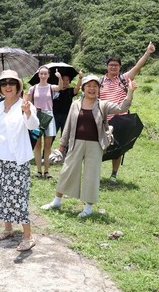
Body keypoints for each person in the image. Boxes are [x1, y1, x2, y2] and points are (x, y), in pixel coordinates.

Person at [41, 75, 137, 218]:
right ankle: (57, 201)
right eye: (89, 86)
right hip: (76, 143)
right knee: (67, 171)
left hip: (95, 145)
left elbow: (122, 107)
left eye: (95, 86)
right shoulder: (75, 104)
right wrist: (62, 145)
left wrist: (130, 92)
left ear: (99, 89)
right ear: (83, 88)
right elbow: (68, 125)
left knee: (91, 175)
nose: (92, 89)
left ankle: (88, 207)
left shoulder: (103, 105)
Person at [0, 70, 39, 252]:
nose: (8, 86)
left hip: (17, 161)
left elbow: (33, 125)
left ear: (18, 86)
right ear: (0, 88)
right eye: (4, 83)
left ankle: (28, 236)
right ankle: (8, 228)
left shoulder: (24, 105)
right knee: (2, 196)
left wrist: (28, 112)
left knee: (19, 198)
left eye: (12, 83)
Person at [100, 41, 155, 183]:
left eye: (116, 65)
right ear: (107, 67)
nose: (113, 67)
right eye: (111, 65)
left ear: (119, 67)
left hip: (121, 119)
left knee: (118, 148)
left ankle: (113, 174)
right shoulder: (100, 81)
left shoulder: (123, 79)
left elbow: (138, 66)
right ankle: (95, 171)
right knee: (100, 146)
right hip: (104, 120)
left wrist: (148, 52)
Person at [26, 66, 64, 179]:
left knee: (48, 146)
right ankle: (38, 170)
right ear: (38, 75)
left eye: (45, 74)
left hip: (49, 116)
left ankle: (46, 171)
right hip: (37, 116)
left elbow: (61, 87)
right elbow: (27, 102)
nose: (43, 76)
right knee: (37, 145)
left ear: (48, 75)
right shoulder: (33, 89)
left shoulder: (51, 87)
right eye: (41, 73)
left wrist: (60, 77)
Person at [53, 70, 83, 137]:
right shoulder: (55, 90)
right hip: (55, 116)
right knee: (52, 135)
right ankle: (48, 147)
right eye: (63, 79)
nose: (65, 82)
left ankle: (65, 147)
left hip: (67, 116)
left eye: (67, 80)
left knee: (65, 136)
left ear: (69, 81)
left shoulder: (70, 90)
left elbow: (77, 88)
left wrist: (80, 78)